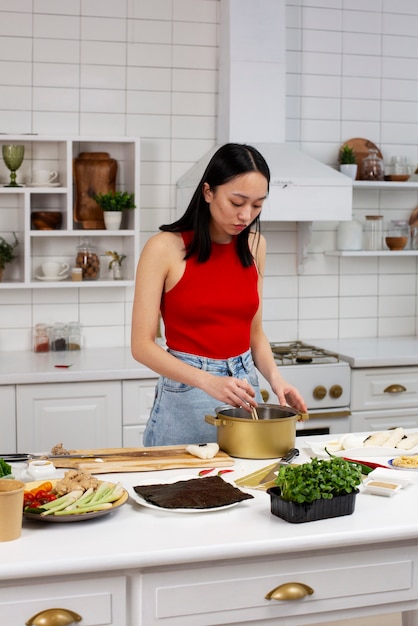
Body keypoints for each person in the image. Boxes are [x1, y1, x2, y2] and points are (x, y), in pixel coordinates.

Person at [131, 143, 307, 446]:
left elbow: (255, 334)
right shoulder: (163, 248)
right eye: (237, 201)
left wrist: (276, 379)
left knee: (246, 485)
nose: (245, 215)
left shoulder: (255, 246)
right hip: (188, 388)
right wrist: (208, 381)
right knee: (177, 488)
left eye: (257, 205)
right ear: (208, 192)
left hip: (243, 384)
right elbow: (141, 346)